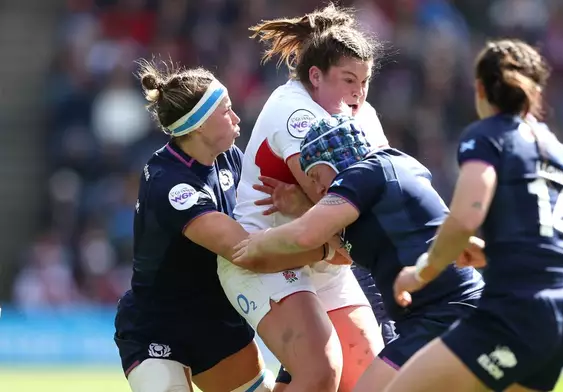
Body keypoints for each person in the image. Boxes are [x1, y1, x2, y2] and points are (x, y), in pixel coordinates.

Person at [113, 61, 334, 392]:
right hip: (158, 327)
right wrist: (327, 248)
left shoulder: (230, 157)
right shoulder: (171, 184)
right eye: (226, 111)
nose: (236, 118)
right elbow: (245, 251)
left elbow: (273, 215)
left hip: (218, 322)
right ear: (199, 126)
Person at [387, 39, 563, 392]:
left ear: (480, 88)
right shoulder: (561, 153)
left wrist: (421, 274)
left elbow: (465, 219)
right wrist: (499, 255)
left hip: (512, 317)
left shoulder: (488, 136)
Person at [231, 113, 486, 392]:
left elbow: (307, 234)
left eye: (316, 175)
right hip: (436, 314)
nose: (316, 188)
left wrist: (256, 243)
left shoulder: (365, 171)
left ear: (335, 156)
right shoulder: (375, 184)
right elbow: (344, 247)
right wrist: (304, 208)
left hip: (444, 310)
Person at [216, 4, 392, 392]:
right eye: (348, 79)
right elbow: (339, 205)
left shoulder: (361, 112)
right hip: (268, 259)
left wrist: (313, 211)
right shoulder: (295, 110)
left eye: (364, 81)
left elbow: (381, 191)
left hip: (327, 262)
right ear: (315, 76)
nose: (358, 93)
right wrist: (316, 212)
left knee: (372, 382)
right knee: (320, 373)